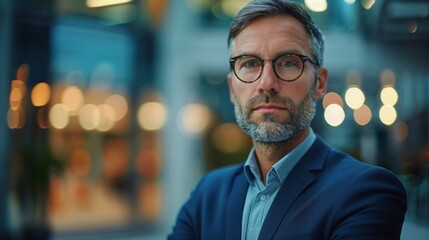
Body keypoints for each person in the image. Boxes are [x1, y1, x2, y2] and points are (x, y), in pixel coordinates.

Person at [168, 0, 407, 239]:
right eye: (250, 64)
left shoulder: (367, 191)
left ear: (320, 83)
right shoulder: (207, 194)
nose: (267, 84)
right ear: (232, 88)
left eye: (288, 63)